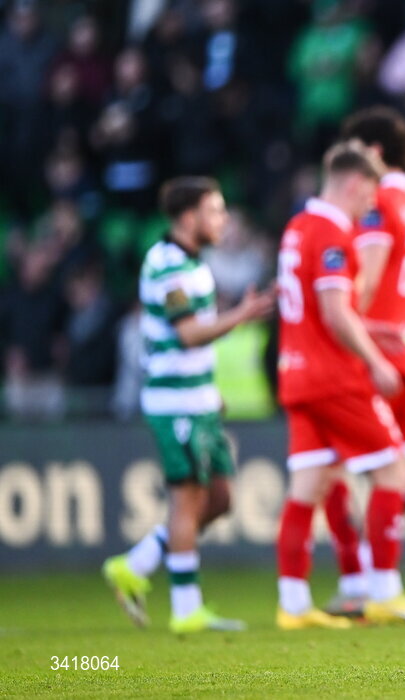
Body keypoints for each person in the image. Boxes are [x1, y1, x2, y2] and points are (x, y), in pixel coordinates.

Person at [274, 141, 405, 629]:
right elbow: (333, 311)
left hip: (296, 374)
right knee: (395, 473)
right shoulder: (331, 233)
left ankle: (293, 604)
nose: (373, 203)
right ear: (353, 182)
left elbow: (321, 310)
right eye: (370, 191)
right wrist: (376, 360)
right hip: (335, 377)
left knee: (306, 486)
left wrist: (378, 329)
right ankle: (385, 591)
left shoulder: (296, 228)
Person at [103, 176, 276, 633]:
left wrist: (210, 387)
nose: (222, 219)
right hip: (173, 402)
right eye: (215, 210)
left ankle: (136, 563)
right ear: (187, 216)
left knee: (219, 499)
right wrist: (241, 313)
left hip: (196, 396)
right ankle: (186, 609)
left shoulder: (195, 263)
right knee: (187, 500)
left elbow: (194, 345)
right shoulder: (166, 266)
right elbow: (188, 334)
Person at [323, 107, 405, 620]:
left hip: (375, 353)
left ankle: (364, 584)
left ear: (373, 154)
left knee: (331, 466)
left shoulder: (377, 203)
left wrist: (345, 321)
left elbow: (369, 279)